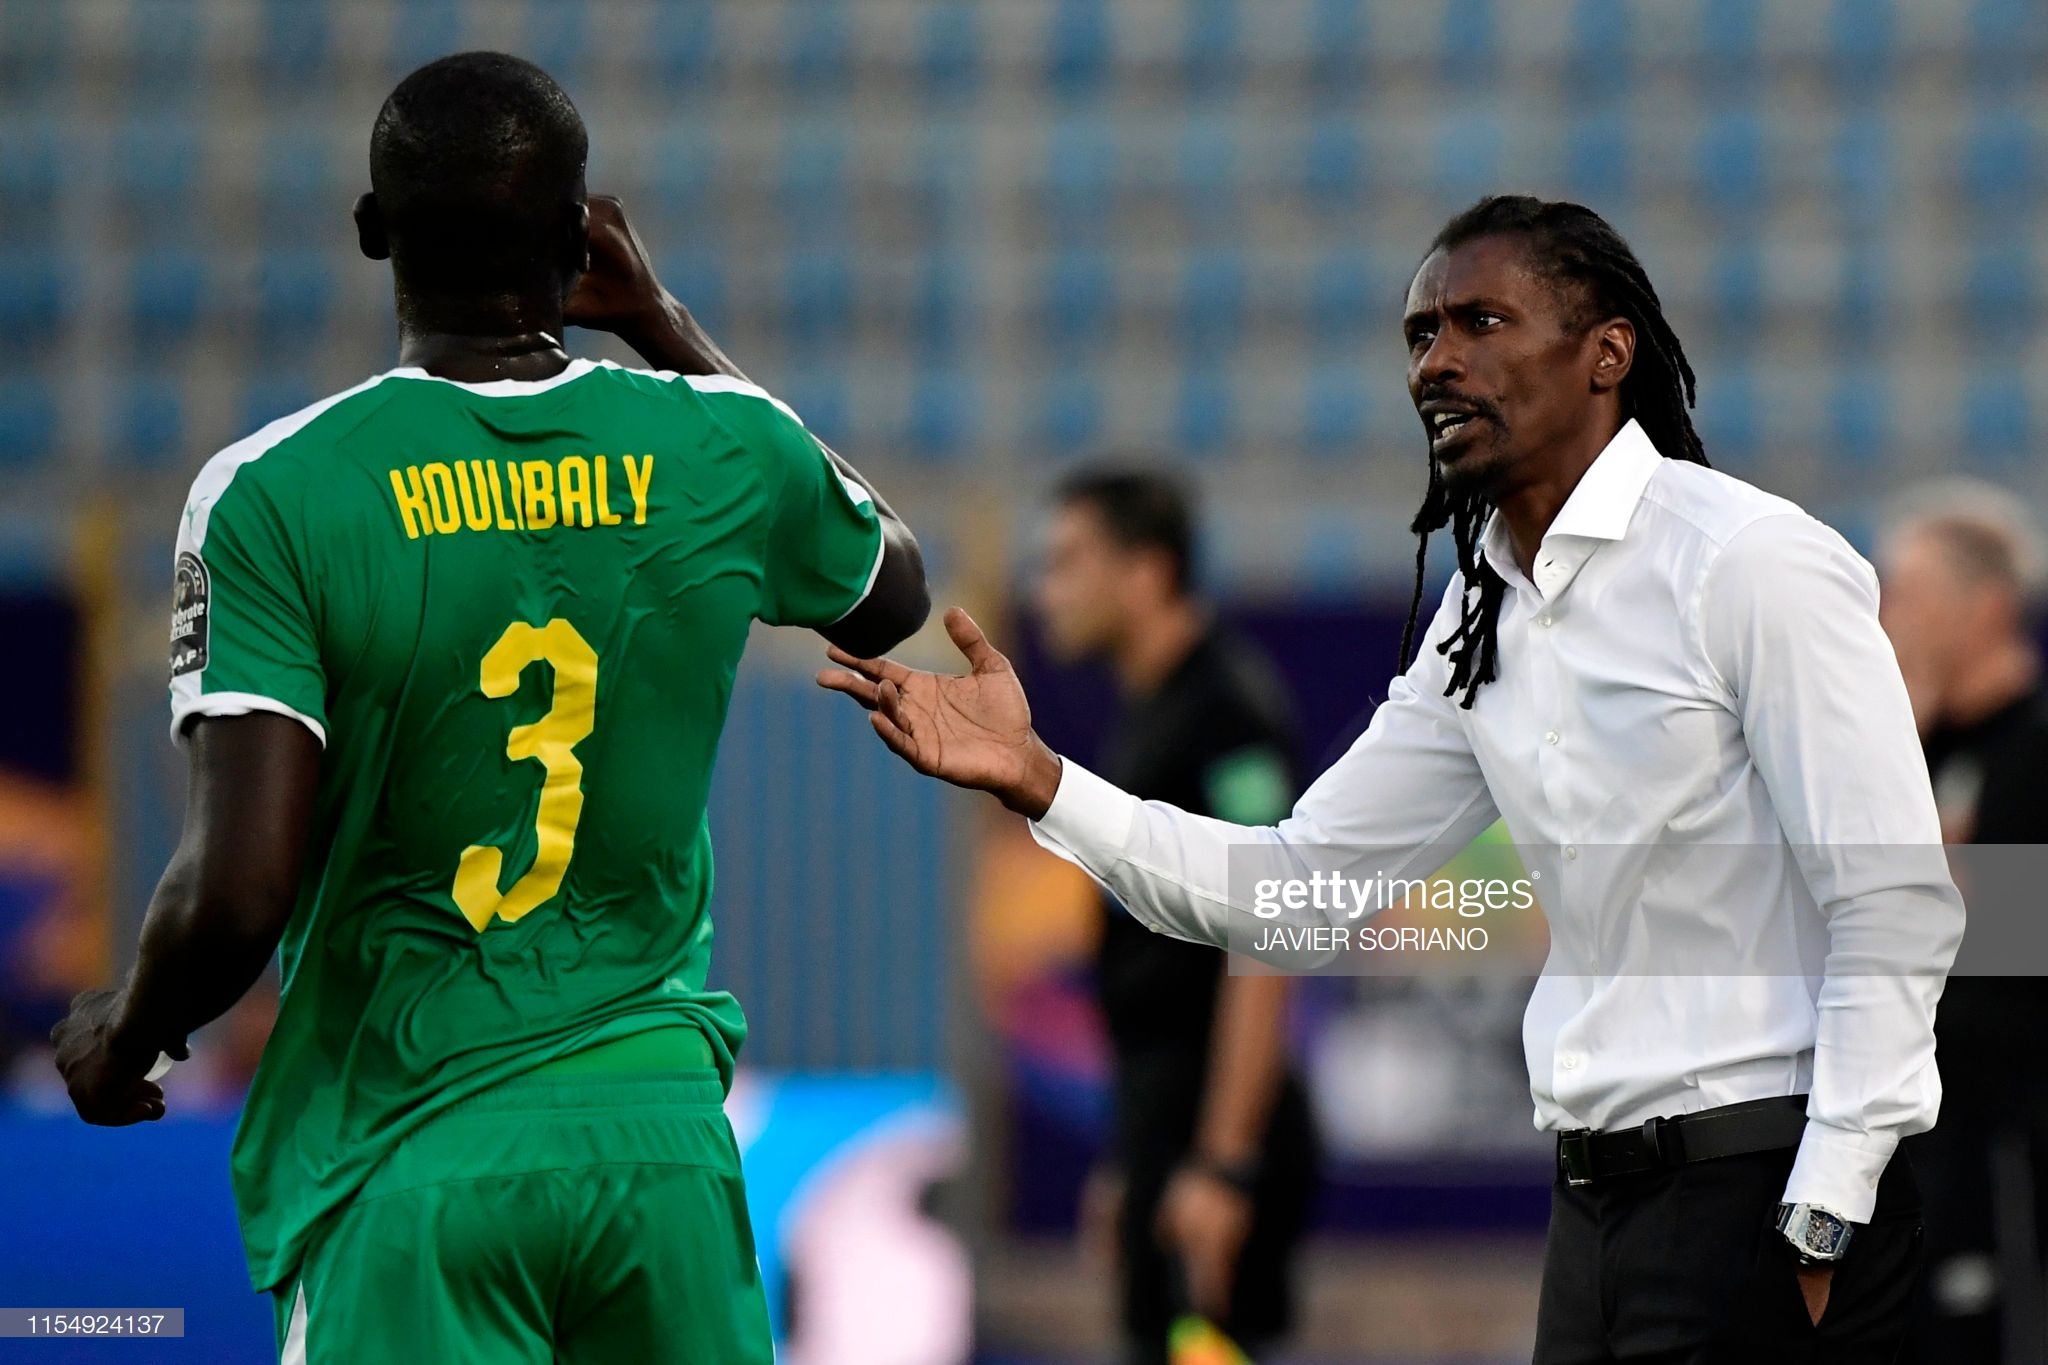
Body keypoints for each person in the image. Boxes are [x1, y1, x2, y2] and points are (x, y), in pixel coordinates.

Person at [821, 195, 1964, 1362]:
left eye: (1480, 321)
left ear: (1605, 354)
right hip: (1594, 1219)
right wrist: (1043, 780)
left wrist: (1829, 1199)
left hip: (1766, 1191)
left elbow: (1893, 899)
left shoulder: (1749, 563)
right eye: (1420, 334)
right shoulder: (1480, 613)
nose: (1438, 362)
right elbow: (1295, 890)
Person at [50, 52, 928, 1364]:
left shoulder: (277, 493)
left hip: (411, 1151)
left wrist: (127, 1031)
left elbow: (236, 891)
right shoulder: (722, 449)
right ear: (586, 237)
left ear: (369, 234)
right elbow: (892, 589)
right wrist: (667, 323)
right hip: (662, 1158)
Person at [1035, 466, 1318, 1364]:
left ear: (1147, 571)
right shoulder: (1150, 713)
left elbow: (1268, 935)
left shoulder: (1228, 714)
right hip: (1167, 1126)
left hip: (1221, 1134)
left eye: (1071, 560)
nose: (1048, 589)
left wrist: (1222, 1163)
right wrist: (1136, 1156)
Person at [1878, 482, 2048, 1364]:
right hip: (1915, 1170)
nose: (1886, 613)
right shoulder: (1912, 757)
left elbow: (2004, 974)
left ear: (1985, 606)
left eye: (1906, 591)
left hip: (2005, 1169)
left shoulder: (2033, 756)